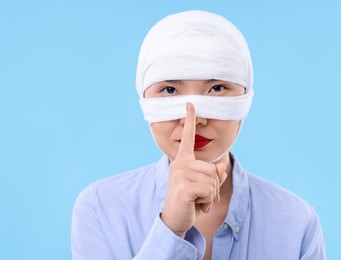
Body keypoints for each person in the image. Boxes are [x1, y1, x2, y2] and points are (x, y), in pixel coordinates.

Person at [71, 10, 326, 260]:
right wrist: (170, 229)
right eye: (169, 89)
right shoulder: (100, 210)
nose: (195, 118)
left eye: (217, 88)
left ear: (246, 96)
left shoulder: (297, 224)